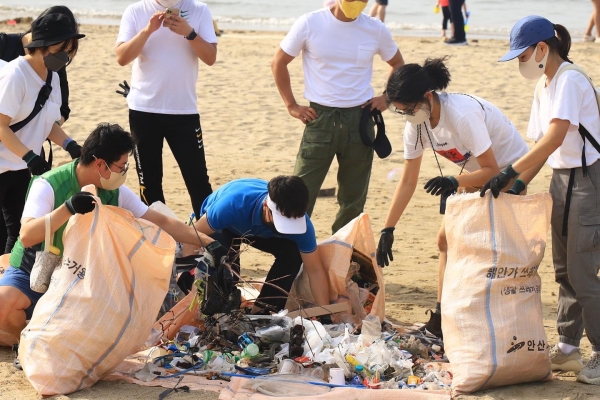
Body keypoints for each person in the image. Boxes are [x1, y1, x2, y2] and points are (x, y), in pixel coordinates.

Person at [0, 122, 219, 367]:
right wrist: (68, 208)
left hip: (76, 275)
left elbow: (160, 221)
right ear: (100, 164)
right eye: (122, 166)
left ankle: (42, 330)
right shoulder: (48, 184)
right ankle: (27, 339)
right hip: (33, 269)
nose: (124, 171)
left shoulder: (116, 192)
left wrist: (207, 241)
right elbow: (27, 235)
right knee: (4, 307)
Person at [482, 15, 600, 385]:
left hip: (588, 180)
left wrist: (507, 172)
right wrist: (518, 184)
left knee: (583, 273)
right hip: (561, 179)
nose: (520, 63)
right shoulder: (545, 85)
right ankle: (567, 348)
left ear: (543, 49)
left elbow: (554, 138)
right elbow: (543, 151)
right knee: (564, 271)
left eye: (522, 55)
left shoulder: (570, 79)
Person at [377, 57, 529, 338]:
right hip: (476, 173)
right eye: (401, 112)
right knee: (445, 240)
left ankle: (489, 319)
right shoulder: (417, 124)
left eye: (409, 109)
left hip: (511, 172)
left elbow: (493, 170)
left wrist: (453, 181)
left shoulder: (461, 115)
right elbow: (409, 180)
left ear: (427, 96)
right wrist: (388, 228)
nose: (408, 116)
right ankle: (440, 317)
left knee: (485, 247)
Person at [271, 0, 405, 234]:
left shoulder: (375, 28)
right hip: (319, 119)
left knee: (353, 199)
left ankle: (341, 253)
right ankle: (295, 253)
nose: (357, 3)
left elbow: (396, 63)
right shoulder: (310, 22)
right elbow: (279, 61)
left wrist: (386, 98)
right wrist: (292, 105)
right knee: (301, 193)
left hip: (360, 121)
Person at [115, 0, 217, 220]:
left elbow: (210, 57)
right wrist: (147, 31)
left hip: (184, 111)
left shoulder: (199, 10)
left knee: (197, 180)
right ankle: (159, 244)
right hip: (143, 111)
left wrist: (189, 33)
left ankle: (211, 242)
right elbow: (122, 57)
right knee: (149, 184)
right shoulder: (136, 10)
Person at [0, 13, 85, 256]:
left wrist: (70, 145)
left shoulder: (53, 77)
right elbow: (1, 125)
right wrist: (29, 156)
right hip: (9, 164)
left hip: (20, 168)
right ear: (42, 46)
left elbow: (46, 122)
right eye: (61, 48)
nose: (65, 55)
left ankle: (6, 284)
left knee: (17, 232)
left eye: (69, 50)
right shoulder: (16, 75)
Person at [192, 176, 331, 313]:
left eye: (292, 224)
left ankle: (264, 310)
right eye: (282, 223)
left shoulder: (303, 224)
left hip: (259, 231)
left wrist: (326, 314)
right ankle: (220, 312)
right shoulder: (232, 204)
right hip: (226, 225)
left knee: (293, 253)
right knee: (226, 268)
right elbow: (193, 234)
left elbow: (315, 270)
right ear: (266, 206)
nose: (288, 228)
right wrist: (186, 269)